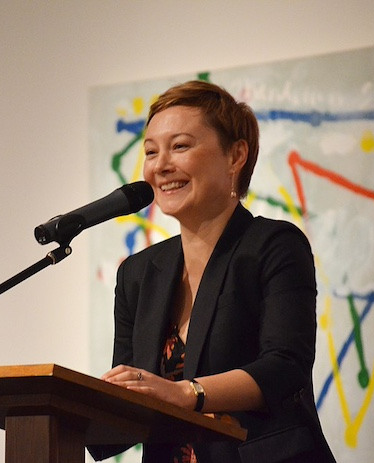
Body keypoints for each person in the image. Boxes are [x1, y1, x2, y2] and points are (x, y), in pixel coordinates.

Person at [87, 81, 335, 463]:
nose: (161, 165)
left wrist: (188, 393)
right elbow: (132, 398)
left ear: (236, 155)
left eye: (180, 146)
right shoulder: (138, 274)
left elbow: (286, 367)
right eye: (151, 152)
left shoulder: (274, 245)